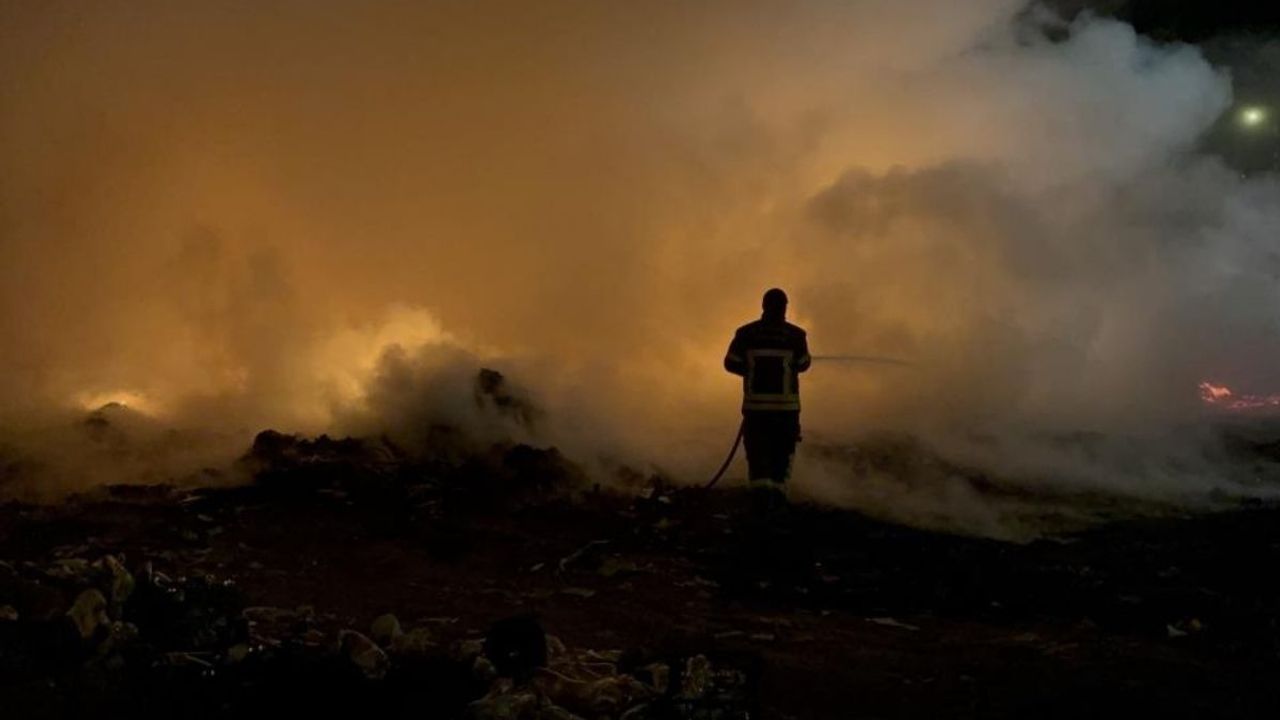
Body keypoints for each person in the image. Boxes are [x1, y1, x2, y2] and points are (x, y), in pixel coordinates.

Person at [723, 288, 811, 496]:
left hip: (756, 411)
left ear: (763, 306)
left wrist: (751, 370)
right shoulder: (796, 336)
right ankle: (777, 502)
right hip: (786, 412)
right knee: (781, 456)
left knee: (757, 456)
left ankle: (759, 503)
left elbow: (730, 363)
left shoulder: (745, 333)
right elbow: (804, 363)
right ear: (784, 307)